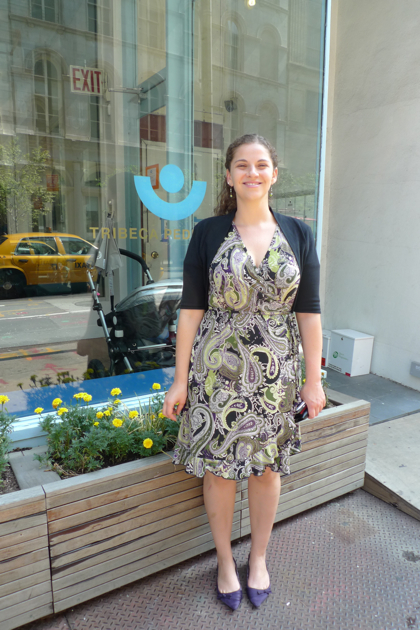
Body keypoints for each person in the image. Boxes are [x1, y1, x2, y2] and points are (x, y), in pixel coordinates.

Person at [162, 133, 325, 610]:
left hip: (276, 374)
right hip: (217, 372)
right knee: (219, 472)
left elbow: (309, 312)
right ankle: (224, 562)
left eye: (260, 165)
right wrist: (179, 379)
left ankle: (257, 558)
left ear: (274, 174)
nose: (252, 172)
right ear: (229, 176)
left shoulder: (298, 233)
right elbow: (190, 311)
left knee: (267, 470)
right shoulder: (208, 232)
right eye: (241, 165)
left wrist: (313, 380)